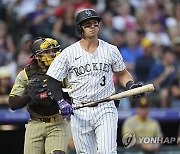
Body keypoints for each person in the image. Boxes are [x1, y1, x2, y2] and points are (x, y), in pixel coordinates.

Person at [46, 9, 143, 154]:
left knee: (107, 151)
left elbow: (122, 73)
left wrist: (130, 85)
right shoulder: (69, 53)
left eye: (95, 23)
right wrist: (61, 101)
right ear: (80, 28)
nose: (93, 27)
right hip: (80, 109)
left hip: (105, 106)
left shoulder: (111, 49)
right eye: (88, 24)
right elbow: (52, 79)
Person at [9, 38, 70, 154]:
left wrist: (60, 94)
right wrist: (31, 95)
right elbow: (13, 103)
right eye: (47, 51)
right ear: (36, 56)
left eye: (54, 50)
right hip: (35, 122)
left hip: (57, 122)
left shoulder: (63, 71)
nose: (52, 54)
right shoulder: (26, 74)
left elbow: (73, 92)